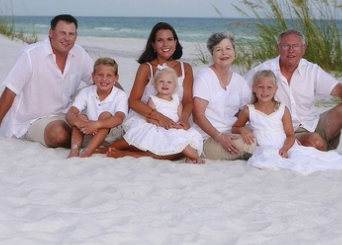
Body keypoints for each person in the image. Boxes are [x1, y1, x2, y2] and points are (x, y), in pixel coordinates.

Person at [245, 29, 342, 172]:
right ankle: (328, 156)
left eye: (296, 46)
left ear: (303, 49)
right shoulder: (263, 71)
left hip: (314, 124)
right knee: (313, 141)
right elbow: (240, 96)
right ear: (278, 48)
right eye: (286, 46)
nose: (291, 50)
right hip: (285, 133)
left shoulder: (311, 70)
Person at [0, 14, 93, 147]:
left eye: (71, 34)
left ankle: (96, 134)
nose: (66, 38)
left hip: (66, 113)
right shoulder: (31, 54)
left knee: (101, 91)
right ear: (51, 33)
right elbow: (10, 91)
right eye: (62, 33)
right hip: (33, 121)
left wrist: (121, 106)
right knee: (59, 134)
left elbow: (101, 81)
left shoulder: (78, 53)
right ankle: (88, 138)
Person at [104, 22, 203, 161]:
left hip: (175, 118)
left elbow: (187, 100)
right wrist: (160, 118)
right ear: (153, 45)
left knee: (182, 148)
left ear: (175, 42)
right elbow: (133, 101)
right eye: (160, 40)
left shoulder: (185, 67)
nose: (165, 44)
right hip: (148, 118)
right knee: (150, 140)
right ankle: (117, 149)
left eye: (169, 39)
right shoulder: (147, 67)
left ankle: (132, 154)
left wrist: (184, 119)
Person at [233, 70, 342, 174]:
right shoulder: (249, 110)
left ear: (275, 89)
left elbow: (290, 135)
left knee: (304, 159)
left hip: (286, 146)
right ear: (253, 88)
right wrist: (243, 130)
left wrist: (285, 149)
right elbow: (236, 127)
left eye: (269, 87)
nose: (265, 91)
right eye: (260, 87)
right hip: (266, 147)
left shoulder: (282, 109)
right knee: (268, 158)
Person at [191, 30, 255, 161]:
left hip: (231, 132)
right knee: (250, 145)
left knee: (263, 135)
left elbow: (247, 110)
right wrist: (220, 136)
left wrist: (242, 129)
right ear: (212, 54)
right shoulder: (205, 76)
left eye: (228, 48)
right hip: (207, 138)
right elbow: (198, 116)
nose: (224, 53)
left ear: (234, 52)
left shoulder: (238, 80)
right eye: (218, 50)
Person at [121, 68, 203, 163]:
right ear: (155, 84)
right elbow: (150, 119)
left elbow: (181, 116)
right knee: (177, 139)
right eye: (161, 81)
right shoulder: (153, 100)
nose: (165, 84)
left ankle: (190, 157)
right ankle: (194, 157)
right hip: (161, 127)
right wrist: (162, 125)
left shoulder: (176, 100)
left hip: (175, 127)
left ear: (175, 86)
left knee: (190, 137)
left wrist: (179, 125)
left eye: (169, 82)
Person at [65, 57, 129, 158]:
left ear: (116, 78)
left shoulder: (120, 95)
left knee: (105, 115)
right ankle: (74, 151)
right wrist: (79, 122)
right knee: (81, 117)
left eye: (109, 76)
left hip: (111, 136)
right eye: (100, 75)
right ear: (93, 76)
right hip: (90, 133)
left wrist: (97, 124)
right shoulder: (86, 92)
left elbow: (119, 118)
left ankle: (87, 152)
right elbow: (70, 113)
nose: (104, 79)